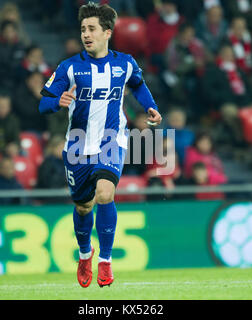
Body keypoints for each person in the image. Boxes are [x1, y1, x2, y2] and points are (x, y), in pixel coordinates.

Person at [38, 2, 162, 288]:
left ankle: (105, 262)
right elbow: (43, 103)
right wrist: (58, 101)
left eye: (92, 28)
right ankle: (85, 254)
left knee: (105, 194)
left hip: (111, 141)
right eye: (83, 29)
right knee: (83, 207)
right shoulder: (69, 67)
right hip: (78, 146)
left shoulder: (125, 63)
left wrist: (151, 107)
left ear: (107, 32)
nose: (86, 34)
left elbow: (138, 85)